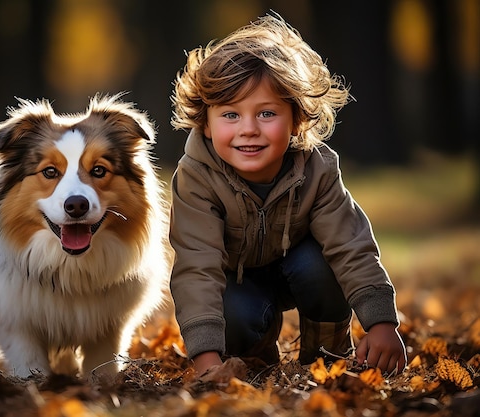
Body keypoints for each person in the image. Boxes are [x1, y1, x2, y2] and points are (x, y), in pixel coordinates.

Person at [168, 11, 407, 377]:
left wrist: (382, 324)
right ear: (206, 121)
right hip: (238, 281)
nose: (248, 130)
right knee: (233, 315)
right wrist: (206, 359)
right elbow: (196, 269)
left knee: (322, 265)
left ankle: (327, 354)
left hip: (301, 268)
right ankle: (255, 357)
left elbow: (351, 245)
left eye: (266, 113)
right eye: (230, 115)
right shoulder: (196, 176)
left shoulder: (317, 168)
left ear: (296, 118)